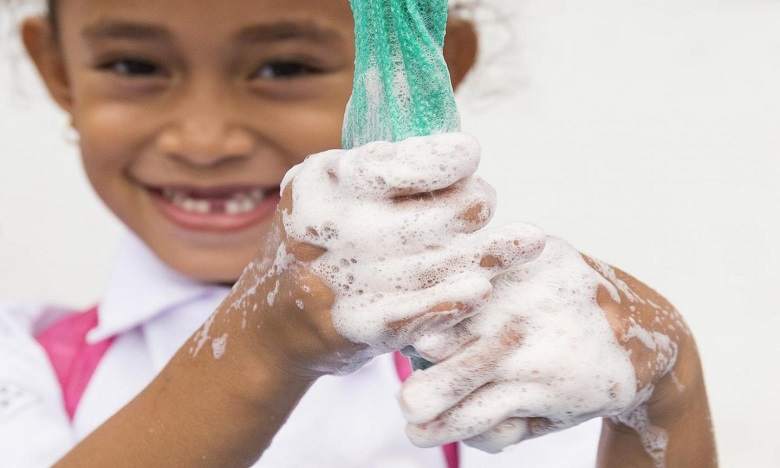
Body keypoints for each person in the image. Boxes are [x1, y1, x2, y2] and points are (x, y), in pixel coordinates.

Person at [0, 0, 717, 467]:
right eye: (135, 65)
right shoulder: (22, 365)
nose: (204, 140)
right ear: (58, 70)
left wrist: (668, 385)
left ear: (424, 68)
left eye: (286, 66)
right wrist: (260, 338)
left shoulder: (516, 374)